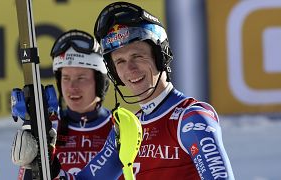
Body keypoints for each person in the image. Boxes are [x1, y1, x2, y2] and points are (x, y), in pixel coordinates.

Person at [64, 1, 235, 179]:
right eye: (120, 62)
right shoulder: (127, 128)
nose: (130, 69)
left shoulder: (190, 118)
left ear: (160, 57)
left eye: (137, 56)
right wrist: (44, 157)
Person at [11, 29, 114, 179]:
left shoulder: (116, 128)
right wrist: (29, 165)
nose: (72, 87)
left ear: (100, 82)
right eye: (66, 78)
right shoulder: (48, 127)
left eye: (81, 78)